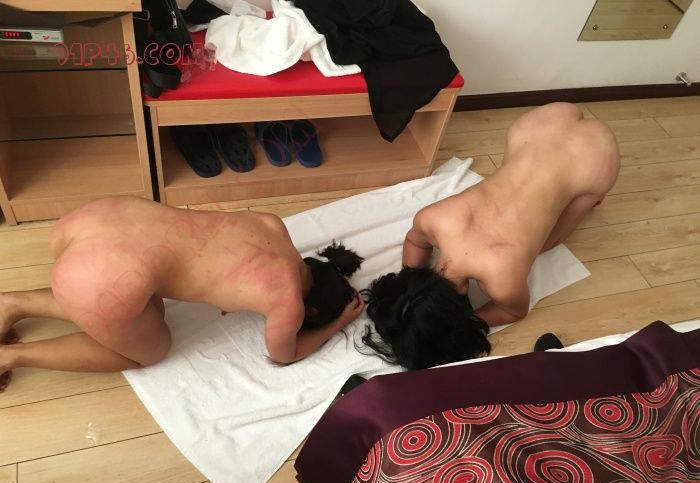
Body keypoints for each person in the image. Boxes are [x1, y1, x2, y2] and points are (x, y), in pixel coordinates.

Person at [0, 197, 365, 391]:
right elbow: (285, 354)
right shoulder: (287, 303)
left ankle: (11, 304)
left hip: (96, 218)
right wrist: (338, 323)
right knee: (150, 350)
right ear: (309, 310)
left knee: (150, 311)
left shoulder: (272, 225)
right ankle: (9, 357)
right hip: (99, 274)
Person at [362, 102, 620, 369]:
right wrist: (410, 285)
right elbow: (414, 241)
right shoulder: (433, 219)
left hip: (596, 159)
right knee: (523, 173)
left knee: (550, 242)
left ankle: (592, 196)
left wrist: (464, 323)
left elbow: (514, 311)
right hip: (541, 123)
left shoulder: (503, 279)